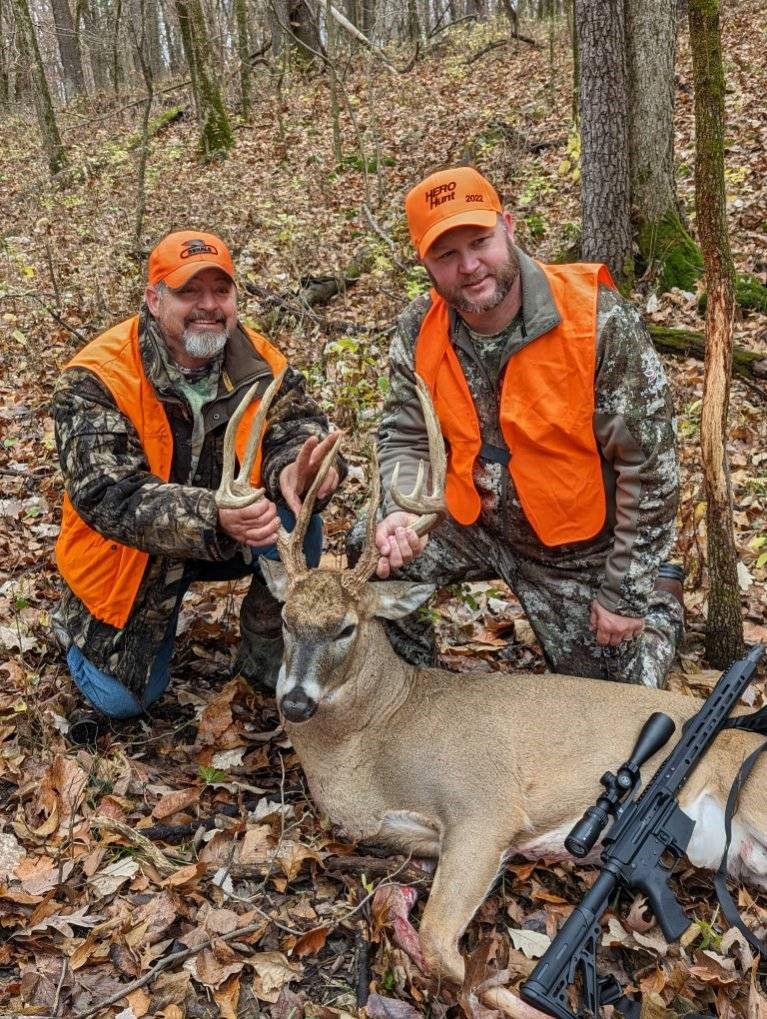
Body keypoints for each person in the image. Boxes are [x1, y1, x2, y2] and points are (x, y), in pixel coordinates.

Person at [357, 166, 683, 687]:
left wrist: (626, 591)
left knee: (612, 704)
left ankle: (662, 607)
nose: (469, 266)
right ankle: (416, 694)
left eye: (480, 241)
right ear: (426, 265)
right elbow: (406, 433)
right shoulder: (419, 329)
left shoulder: (596, 321)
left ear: (508, 226)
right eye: (446, 254)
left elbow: (650, 471)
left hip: (575, 550)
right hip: (471, 524)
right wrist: (399, 510)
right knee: (372, 557)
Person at [53, 230, 342, 737]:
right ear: (154, 297)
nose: (208, 306)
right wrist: (213, 515)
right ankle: (75, 630)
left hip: (235, 533)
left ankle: (265, 646)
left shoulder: (260, 363)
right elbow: (107, 494)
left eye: (221, 291)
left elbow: (298, 426)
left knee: (301, 515)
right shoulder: (97, 378)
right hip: (132, 558)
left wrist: (297, 468)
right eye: (189, 292)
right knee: (123, 701)